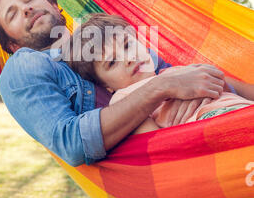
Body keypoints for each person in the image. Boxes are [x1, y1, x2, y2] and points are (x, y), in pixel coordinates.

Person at [0, 0, 237, 167]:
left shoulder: (105, 35)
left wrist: (211, 84)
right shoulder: (25, 66)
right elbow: (71, 143)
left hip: (217, 118)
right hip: (180, 158)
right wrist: (161, 88)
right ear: (12, 44)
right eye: (12, 15)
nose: (26, 9)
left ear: (51, 1)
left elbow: (182, 76)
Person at [65, 13, 254, 135]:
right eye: (112, 62)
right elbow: (161, 146)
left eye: (127, 45)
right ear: (106, 86)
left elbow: (230, 87)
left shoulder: (175, 71)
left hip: (244, 109)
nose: (128, 58)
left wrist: (214, 84)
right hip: (220, 128)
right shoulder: (124, 101)